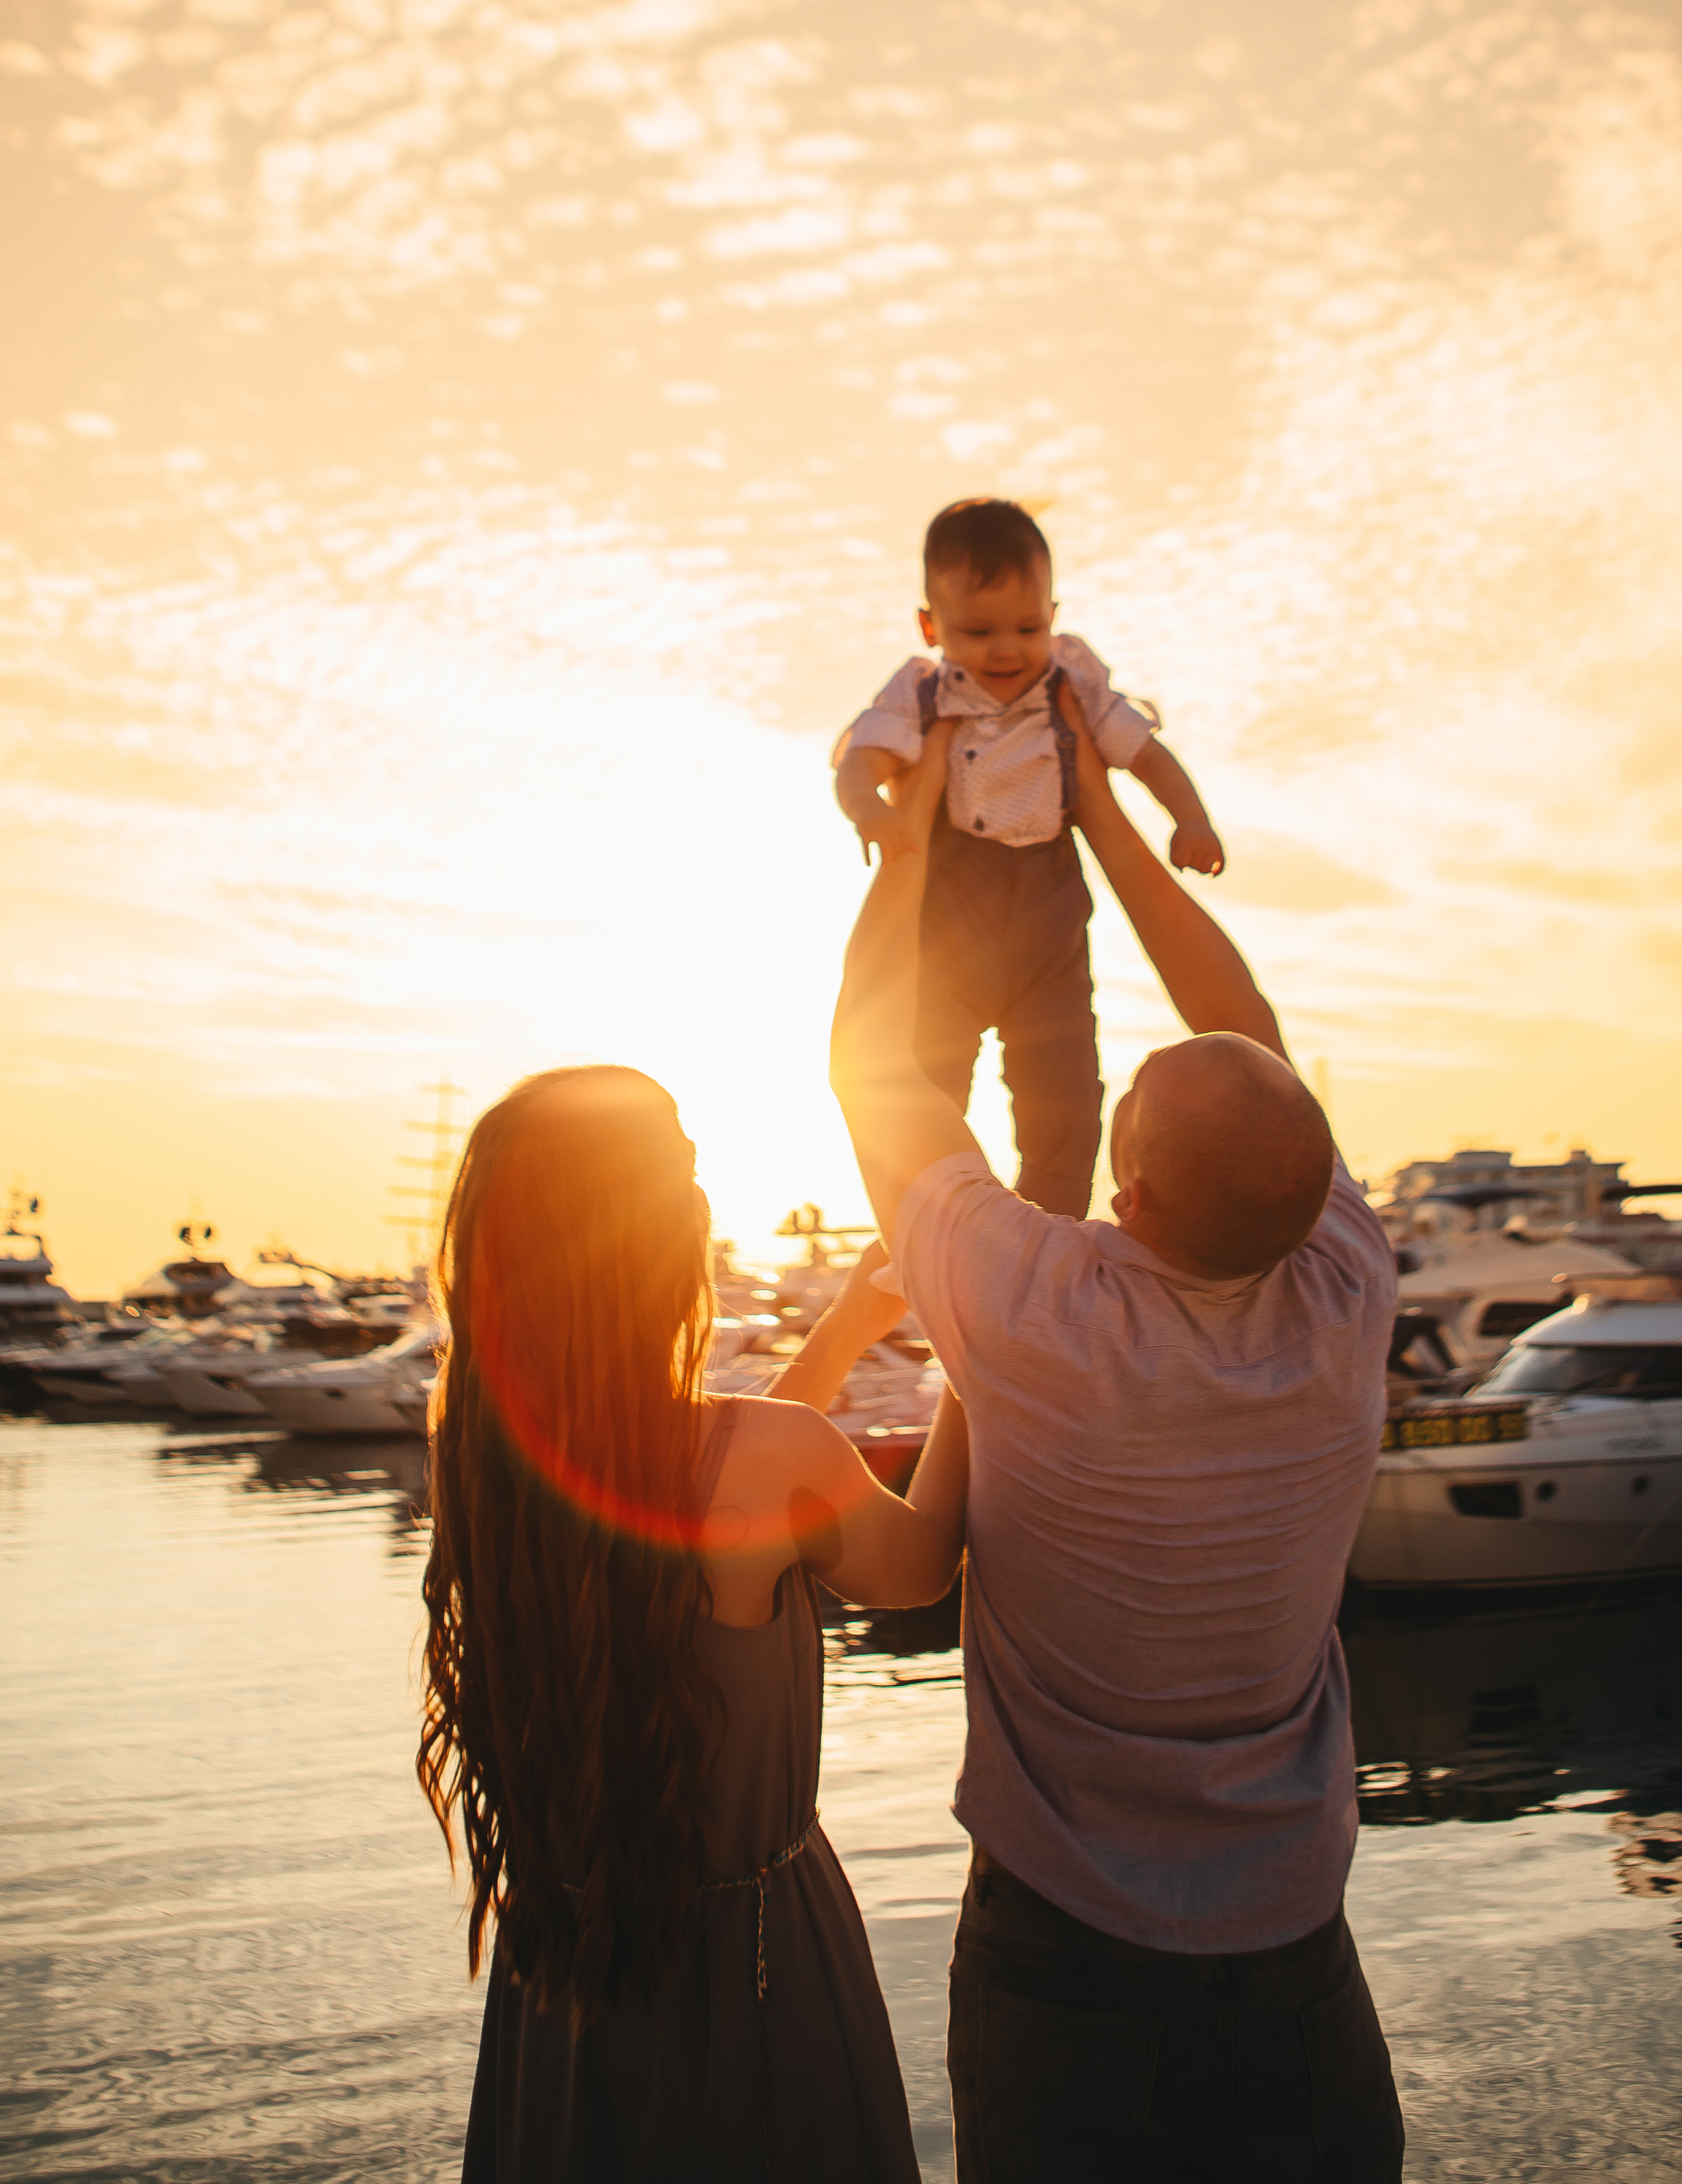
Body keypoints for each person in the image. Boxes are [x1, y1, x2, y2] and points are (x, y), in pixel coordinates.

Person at [830, 709, 1404, 2182]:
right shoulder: (1346, 1289)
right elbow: (1247, 1040)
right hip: (1293, 1955)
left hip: (1060, 1959)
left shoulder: (1036, 1310)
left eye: (1120, 1127)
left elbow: (871, 1070)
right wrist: (1106, 822)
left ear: (1128, 1200)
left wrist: (905, 855)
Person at [417, 1064, 969, 2184]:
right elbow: (918, 1568)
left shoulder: (489, 1467)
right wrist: (975, 1343)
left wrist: (850, 1330)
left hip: (568, 1978)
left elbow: (708, 1490)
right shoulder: (764, 1464)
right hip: (756, 1976)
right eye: (687, 1168)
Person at [832, 495, 1226, 1217]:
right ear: (931, 627)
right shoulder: (921, 692)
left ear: (1054, 613)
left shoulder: (1073, 682)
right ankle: (931, 1219)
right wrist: (870, 809)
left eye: (1028, 627)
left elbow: (1143, 754)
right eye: (976, 632)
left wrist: (1189, 818)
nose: (1006, 650)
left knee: (1067, 1091)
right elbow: (860, 759)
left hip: (1048, 923)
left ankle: (1054, 1223)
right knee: (928, 1076)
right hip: (954, 920)